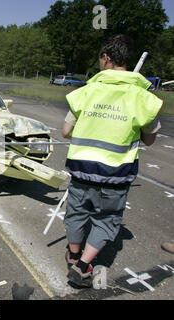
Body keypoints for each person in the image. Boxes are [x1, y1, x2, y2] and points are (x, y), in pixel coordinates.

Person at [61, 35, 163, 288]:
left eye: (99, 58)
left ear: (106, 57)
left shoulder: (86, 92)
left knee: (76, 213)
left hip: (81, 170)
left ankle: (73, 254)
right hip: (116, 174)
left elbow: (66, 131)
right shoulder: (141, 98)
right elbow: (149, 140)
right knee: (106, 220)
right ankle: (83, 265)